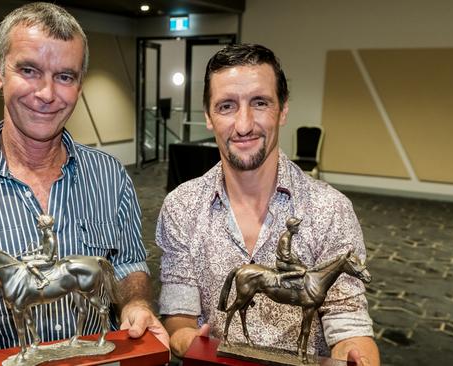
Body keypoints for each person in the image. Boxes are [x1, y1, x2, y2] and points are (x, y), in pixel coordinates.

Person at [0, 3, 168, 366]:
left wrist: (137, 303)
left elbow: (128, 264)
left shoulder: (111, 175)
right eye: (29, 70)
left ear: (79, 83)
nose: (46, 94)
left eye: (65, 76)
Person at [156, 44, 380, 365]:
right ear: (208, 116)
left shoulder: (330, 208)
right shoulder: (181, 206)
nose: (244, 124)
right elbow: (179, 314)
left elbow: (348, 324)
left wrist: (354, 355)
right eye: (226, 106)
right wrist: (185, 339)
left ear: (283, 110)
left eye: (260, 103)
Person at [274, 216, 307, 285]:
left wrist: (297, 260)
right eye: (296, 226)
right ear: (291, 228)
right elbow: (286, 257)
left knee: (303, 266)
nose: (298, 228)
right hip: (281, 263)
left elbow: (289, 253)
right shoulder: (286, 239)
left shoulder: (288, 236)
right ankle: (281, 276)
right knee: (303, 270)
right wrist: (296, 262)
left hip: (283, 261)